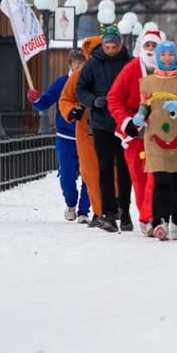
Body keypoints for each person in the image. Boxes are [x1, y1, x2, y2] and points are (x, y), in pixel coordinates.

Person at [130, 40, 177, 241]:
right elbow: (145, 106)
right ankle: (159, 221)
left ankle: (176, 221)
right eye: (162, 55)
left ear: (176, 56)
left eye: (170, 54)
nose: (166, 58)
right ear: (157, 57)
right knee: (161, 181)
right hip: (156, 138)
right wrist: (140, 116)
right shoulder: (148, 82)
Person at [76, 24, 133, 233]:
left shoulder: (129, 62)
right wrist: (93, 101)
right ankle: (108, 213)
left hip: (124, 122)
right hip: (101, 122)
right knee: (105, 167)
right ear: (103, 45)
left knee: (125, 168)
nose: (111, 50)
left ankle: (125, 211)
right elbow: (80, 88)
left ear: (120, 45)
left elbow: (137, 87)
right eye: (108, 46)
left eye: (114, 46)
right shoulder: (93, 63)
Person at [107, 29, 162, 236]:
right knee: (139, 178)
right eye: (147, 45)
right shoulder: (130, 69)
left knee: (156, 176)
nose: (150, 50)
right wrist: (126, 121)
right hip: (135, 132)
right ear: (141, 47)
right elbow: (114, 98)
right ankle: (146, 216)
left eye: (154, 46)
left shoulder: (167, 69)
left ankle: (154, 216)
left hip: (161, 132)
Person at [28, 48, 90, 222]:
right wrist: (35, 99)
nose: (79, 66)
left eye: (83, 63)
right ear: (70, 64)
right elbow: (44, 103)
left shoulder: (92, 82)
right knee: (67, 175)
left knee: (89, 174)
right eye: (76, 63)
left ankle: (84, 210)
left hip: (87, 136)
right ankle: (71, 203)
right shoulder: (61, 83)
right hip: (66, 137)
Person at [59, 37, 104, 226]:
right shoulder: (77, 76)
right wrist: (72, 111)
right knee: (84, 172)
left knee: (110, 171)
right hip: (80, 132)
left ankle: (105, 209)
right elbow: (63, 98)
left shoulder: (120, 70)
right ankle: (90, 208)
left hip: (110, 128)